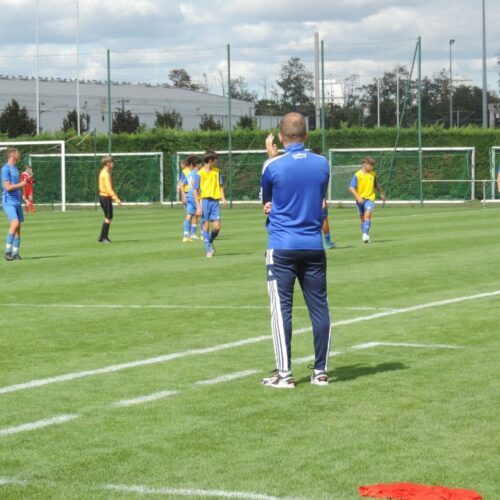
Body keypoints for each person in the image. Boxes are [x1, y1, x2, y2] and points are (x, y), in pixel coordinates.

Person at [260, 113, 331, 389]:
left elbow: (267, 201)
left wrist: (271, 157)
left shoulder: (272, 165)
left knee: (281, 310)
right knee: (320, 308)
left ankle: (284, 374)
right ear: (307, 135)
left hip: (282, 246)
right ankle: (321, 371)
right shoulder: (322, 163)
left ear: (280, 137)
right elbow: (317, 197)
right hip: (313, 245)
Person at [194, 150, 227, 258]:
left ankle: (210, 241)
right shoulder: (200, 173)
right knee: (206, 226)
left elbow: (221, 186)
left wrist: (223, 198)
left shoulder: (217, 171)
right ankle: (208, 249)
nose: (216, 161)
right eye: (215, 159)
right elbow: (195, 191)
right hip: (205, 201)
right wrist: (198, 206)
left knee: (217, 227)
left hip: (215, 202)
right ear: (210, 160)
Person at [348, 157, 386, 243]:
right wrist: (358, 197)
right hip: (360, 200)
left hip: (370, 198)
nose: (372, 167)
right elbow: (351, 188)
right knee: (362, 219)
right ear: (365, 165)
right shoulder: (357, 175)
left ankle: (365, 234)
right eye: (371, 165)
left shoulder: (373, 174)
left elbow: (376, 185)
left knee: (367, 215)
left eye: (373, 165)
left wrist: (381, 193)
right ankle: (366, 235)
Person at [2, 148, 26, 261]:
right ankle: (7, 252)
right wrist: (21, 184)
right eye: (18, 153)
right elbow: (7, 187)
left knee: (18, 227)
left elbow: (16, 186)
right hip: (9, 201)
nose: (19, 154)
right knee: (15, 222)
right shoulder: (5, 169)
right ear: (13, 155)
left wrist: (22, 196)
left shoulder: (15, 169)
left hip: (17, 200)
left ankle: (16, 253)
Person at [97, 155, 121, 243]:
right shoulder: (106, 174)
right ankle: (104, 238)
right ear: (107, 163)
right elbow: (109, 189)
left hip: (102, 196)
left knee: (108, 217)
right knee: (109, 217)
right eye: (112, 162)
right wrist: (116, 199)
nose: (113, 164)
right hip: (105, 197)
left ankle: (102, 237)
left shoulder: (103, 172)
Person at [179, 155, 201, 242]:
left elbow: (182, 184)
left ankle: (185, 236)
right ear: (197, 165)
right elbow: (194, 183)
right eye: (200, 164)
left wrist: (184, 195)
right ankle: (203, 235)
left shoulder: (189, 174)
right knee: (202, 214)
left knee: (189, 215)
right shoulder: (198, 173)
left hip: (189, 196)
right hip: (196, 196)